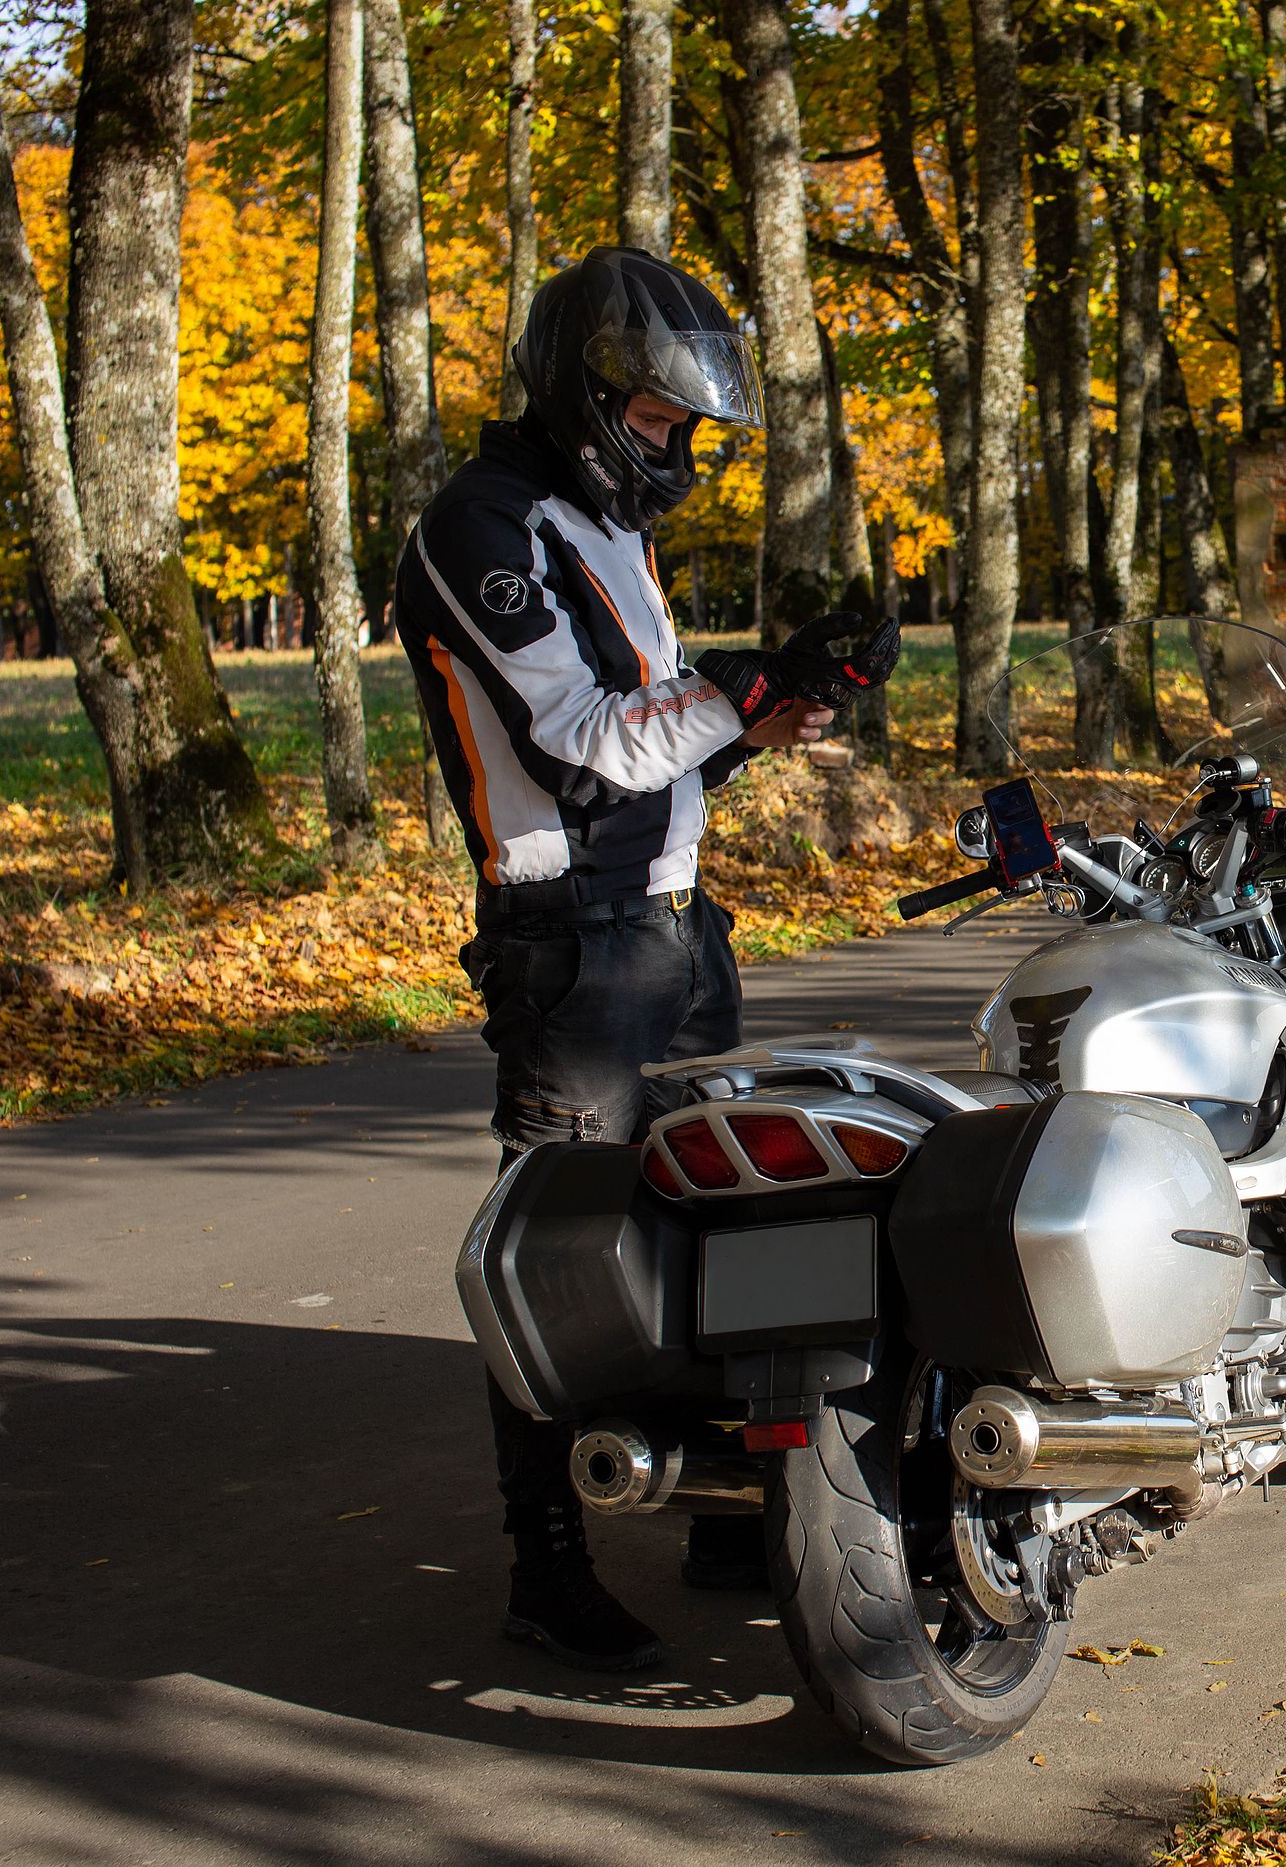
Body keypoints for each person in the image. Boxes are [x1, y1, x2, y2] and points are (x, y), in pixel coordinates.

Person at [394, 246, 900, 1672]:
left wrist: (767, 715)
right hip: (573, 948)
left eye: (690, 426)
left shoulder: (607, 522)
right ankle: (544, 1567)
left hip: (675, 925)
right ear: (588, 392)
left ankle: (737, 1514)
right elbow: (582, 749)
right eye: (661, 418)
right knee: (557, 1257)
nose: (677, 448)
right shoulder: (483, 527)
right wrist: (744, 686)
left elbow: (659, 752)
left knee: (724, 1225)